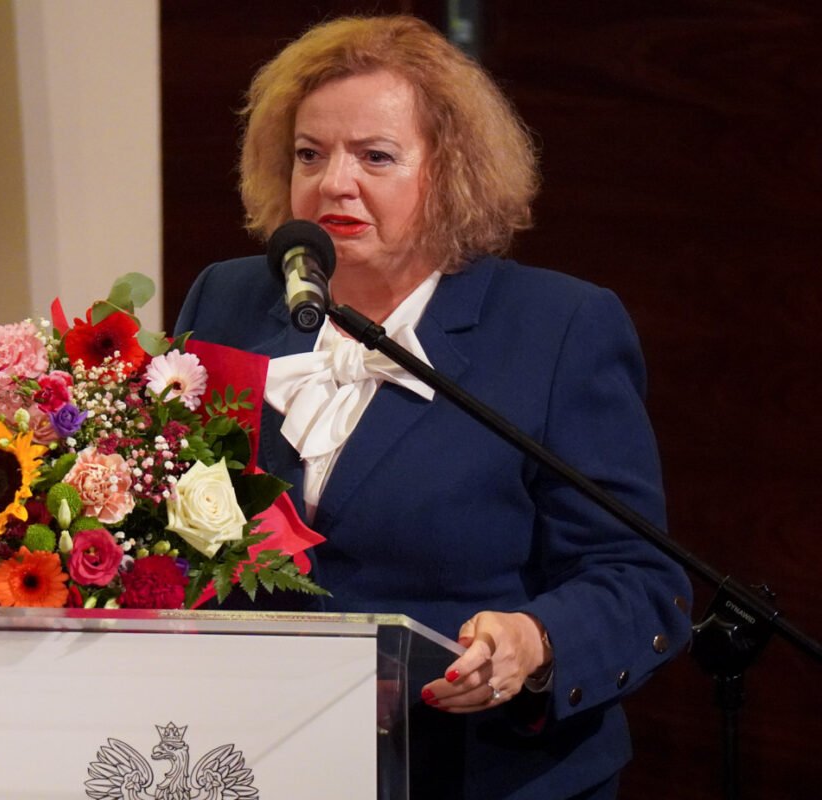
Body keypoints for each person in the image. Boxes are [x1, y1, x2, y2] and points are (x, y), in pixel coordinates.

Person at [174, 15, 693, 800]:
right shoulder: (227, 300)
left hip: (476, 770)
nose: (334, 183)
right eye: (309, 154)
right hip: (256, 759)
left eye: (375, 156)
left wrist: (533, 640)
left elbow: (638, 578)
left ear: (452, 172)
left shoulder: (557, 329)